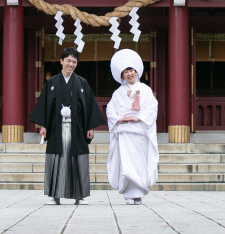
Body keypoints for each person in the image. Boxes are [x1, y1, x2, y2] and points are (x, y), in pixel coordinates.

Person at [30, 46, 104, 205]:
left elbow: (89, 105)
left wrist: (90, 127)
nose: (71, 64)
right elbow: (44, 104)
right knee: (57, 159)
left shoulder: (82, 83)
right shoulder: (51, 82)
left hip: (76, 128)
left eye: (74, 62)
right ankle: (54, 195)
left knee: (78, 158)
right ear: (61, 61)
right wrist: (43, 125)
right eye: (68, 61)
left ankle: (80, 195)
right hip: (57, 127)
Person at [106, 48, 159, 205]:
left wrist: (139, 118)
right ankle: (130, 194)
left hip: (140, 131)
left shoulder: (145, 89)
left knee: (139, 161)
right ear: (122, 75)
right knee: (127, 162)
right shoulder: (118, 92)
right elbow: (110, 110)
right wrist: (119, 119)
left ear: (136, 71)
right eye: (125, 72)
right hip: (125, 132)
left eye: (131, 70)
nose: (129, 74)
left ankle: (140, 192)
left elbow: (152, 107)